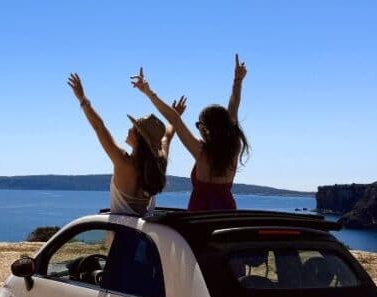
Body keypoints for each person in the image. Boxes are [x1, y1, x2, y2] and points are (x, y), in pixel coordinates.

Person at [131, 55, 249, 211]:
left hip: (200, 213)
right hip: (226, 213)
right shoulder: (234, 147)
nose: (198, 128)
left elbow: (174, 119)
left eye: (199, 124)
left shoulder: (201, 151)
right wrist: (238, 81)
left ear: (206, 128)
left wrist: (148, 92)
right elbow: (233, 107)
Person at [67, 73, 184, 217]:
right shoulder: (160, 162)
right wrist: (175, 116)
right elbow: (167, 136)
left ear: (138, 138)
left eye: (133, 128)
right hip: (144, 235)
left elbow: (99, 128)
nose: (129, 129)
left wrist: (82, 99)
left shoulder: (124, 162)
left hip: (121, 235)